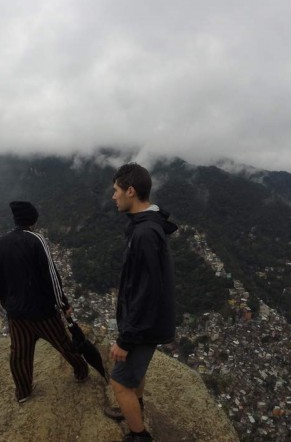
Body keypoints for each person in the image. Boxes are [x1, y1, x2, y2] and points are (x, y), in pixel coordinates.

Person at [105, 163, 178, 442]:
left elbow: (147, 292)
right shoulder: (148, 223)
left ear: (131, 191)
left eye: (116, 191)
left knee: (119, 381)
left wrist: (126, 339)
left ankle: (139, 435)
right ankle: (135, 407)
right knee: (135, 375)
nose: (113, 197)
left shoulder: (145, 233)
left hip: (144, 324)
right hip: (150, 321)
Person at [0, 201, 89, 403]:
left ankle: (23, 392)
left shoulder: (1, 242)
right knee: (63, 343)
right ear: (33, 220)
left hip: (16, 313)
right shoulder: (37, 240)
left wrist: (5, 302)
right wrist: (63, 303)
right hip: (41, 311)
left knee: (19, 352)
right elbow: (51, 277)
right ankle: (81, 371)